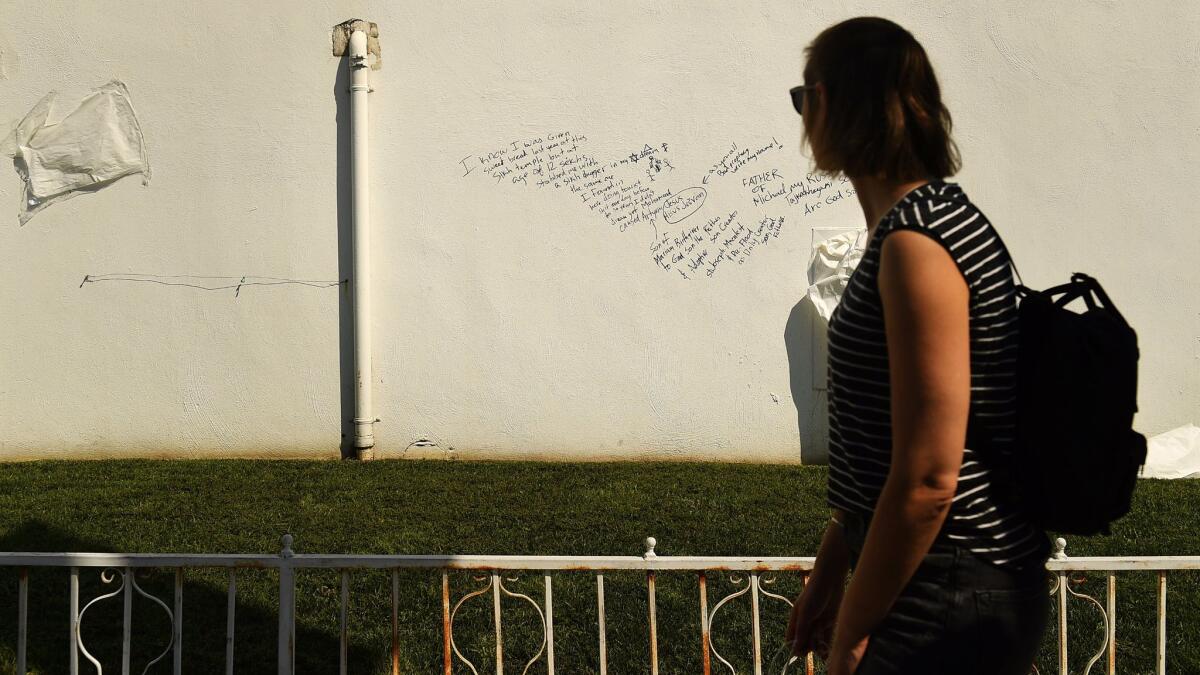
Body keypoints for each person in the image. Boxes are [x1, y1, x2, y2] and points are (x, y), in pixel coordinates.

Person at [783, 17, 1052, 675]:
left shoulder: (916, 245)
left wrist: (850, 631)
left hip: (949, 590)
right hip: (944, 578)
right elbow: (879, 444)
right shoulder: (918, 228)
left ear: (831, 104)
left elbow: (930, 477)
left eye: (802, 98)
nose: (800, 117)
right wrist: (831, 566)